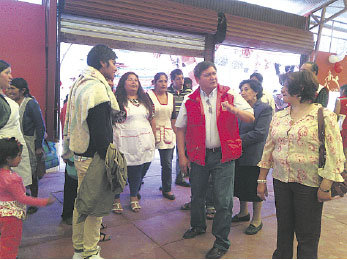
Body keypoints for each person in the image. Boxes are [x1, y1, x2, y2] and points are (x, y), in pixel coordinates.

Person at [257, 70, 345, 259]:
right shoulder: (279, 116)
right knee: (283, 230)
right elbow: (269, 148)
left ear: (301, 89)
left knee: (307, 235)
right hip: (281, 181)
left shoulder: (323, 115)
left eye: (286, 85)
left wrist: (326, 185)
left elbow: (335, 154)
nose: (282, 89)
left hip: (310, 185)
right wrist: (262, 179)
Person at [176, 61, 254, 259]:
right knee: (197, 195)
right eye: (208, 74)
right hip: (198, 154)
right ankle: (198, 226)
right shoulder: (190, 99)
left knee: (223, 200)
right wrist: (182, 156)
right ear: (198, 78)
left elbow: (250, 117)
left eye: (214, 73)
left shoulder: (230, 95)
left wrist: (234, 110)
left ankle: (221, 242)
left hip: (223, 155)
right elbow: (180, 128)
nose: (213, 77)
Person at [62, 44, 120, 259]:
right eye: (113, 63)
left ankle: (79, 250)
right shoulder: (96, 87)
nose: (115, 68)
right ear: (103, 63)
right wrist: (108, 158)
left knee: (81, 204)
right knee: (94, 208)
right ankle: (90, 253)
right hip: (94, 156)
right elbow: (100, 129)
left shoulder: (81, 83)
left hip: (81, 154)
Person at [0, 137, 54, 259]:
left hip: (2, 214)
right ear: (8, 158)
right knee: (10, 244)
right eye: (19, 155)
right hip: (11, 217)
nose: (21, 158)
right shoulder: (12, 179)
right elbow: (23, 199)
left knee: (4, 242)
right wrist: (44, 201)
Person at [232, 79, 272, 235]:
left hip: (254, 154)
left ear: (256, 91)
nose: (242, 92)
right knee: (241, 185)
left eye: (246, 89)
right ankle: (243, 213)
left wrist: (236, 140)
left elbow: (260, 133)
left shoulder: (264, 109)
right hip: (239, 153)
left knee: (255, 188)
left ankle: (257, 220)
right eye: (241, 89)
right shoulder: (240, 108)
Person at [113, 72, 155, 212]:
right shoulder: (117, 99)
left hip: (143, 140)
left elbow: (151, 118)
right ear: (123, 83)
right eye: (130, 80)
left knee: (138, 169)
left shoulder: (145, 99)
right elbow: (112, 120)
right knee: (119, 170)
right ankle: (116, 199)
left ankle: (133, 197)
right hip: (123, 141)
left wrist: (154, 137)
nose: (134, 82)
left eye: (136, 80)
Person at [6, 78, 46, 215]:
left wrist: (38, 146)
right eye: (9, 88)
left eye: (13, 88)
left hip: (29, 143)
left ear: (22, 91)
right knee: (17, 172)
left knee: (31, 173)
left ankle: (34, 201)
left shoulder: (30, 104)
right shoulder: (9, 103)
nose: (9, 91)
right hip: (14, 143)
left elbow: (40, 125)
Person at [0, 60, 32, 188]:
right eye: (7, 73)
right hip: (5, 152)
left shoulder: (3, 97)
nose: (10, 77)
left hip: (14, 147)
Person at [148, 72, 176, 200]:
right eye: (160, 81)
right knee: (145, 161)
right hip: (150, 131)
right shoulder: (148, 95)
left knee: (167, 163)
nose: (163, 83)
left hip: (168, 133)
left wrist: (177, 133)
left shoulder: (171, 97)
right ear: (154, 82)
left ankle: (167, 188)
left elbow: (173, 117)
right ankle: (135, 188)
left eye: (165, 81)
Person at [168, 69, 191, 187]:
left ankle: (181, 176)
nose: (181, 81)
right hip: (169, 126)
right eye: (178, 78)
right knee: (169, 155)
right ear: (172, 80)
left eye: (182, 78)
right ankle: (167, 182)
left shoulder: (188, 92)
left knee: (182, 152)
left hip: (185, 126)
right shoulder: (168, 93)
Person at [334, 84, 347, 174]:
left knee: (340, 147)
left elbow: (335, 115)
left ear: (343, 91)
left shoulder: (340, 99)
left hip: (342, 126)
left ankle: (341, 168)